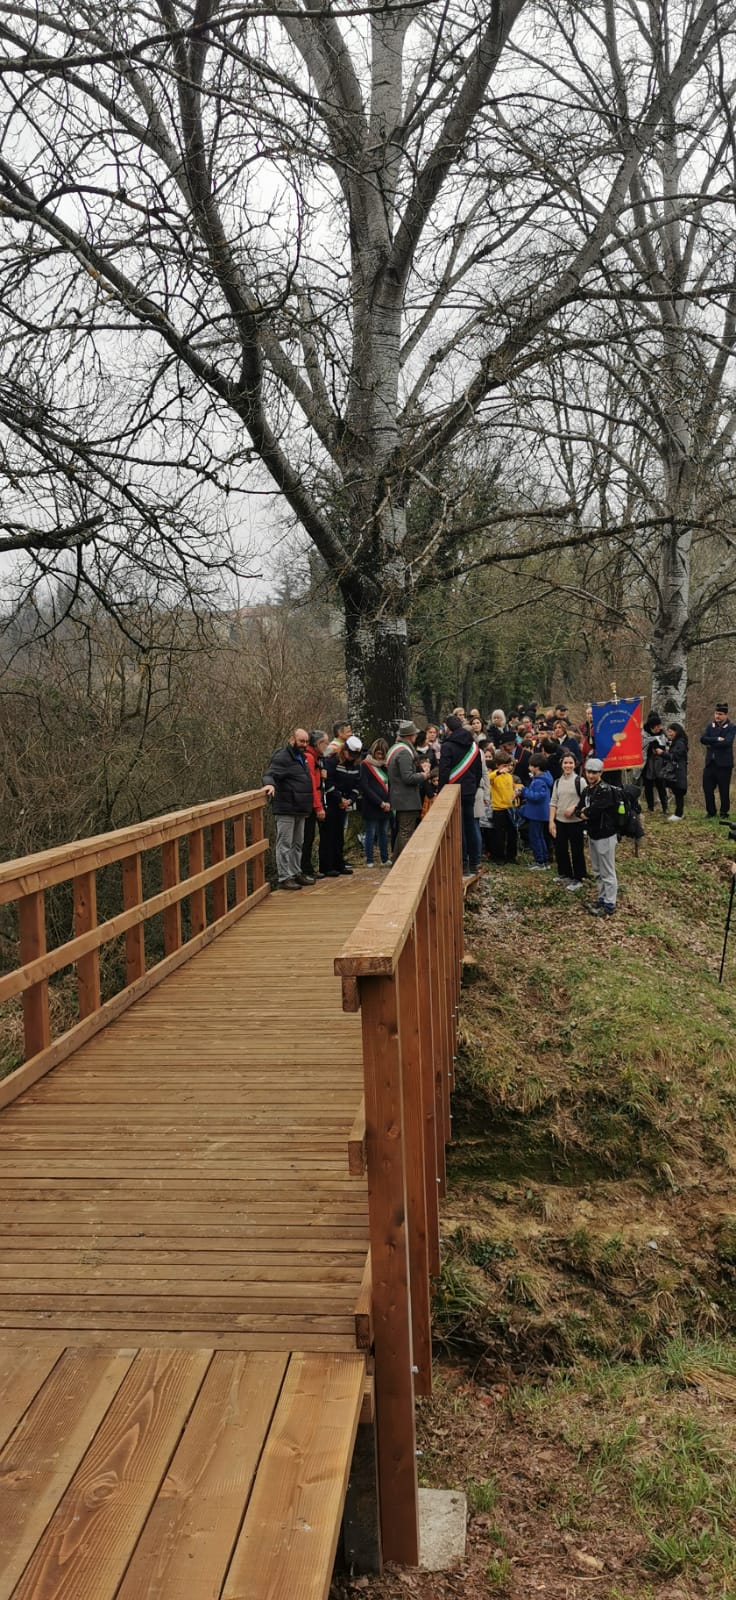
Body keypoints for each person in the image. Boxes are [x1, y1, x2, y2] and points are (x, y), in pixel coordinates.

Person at [263, 727, 315, 890]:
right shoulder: (283, 757)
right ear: (292, 740)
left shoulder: (302, 757)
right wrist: (269, 784)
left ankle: (295, 872)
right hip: (286, 807)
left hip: (300, 807)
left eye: (306, 742)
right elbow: (270, 774)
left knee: (298, 843)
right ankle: (285, 877)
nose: (304, 744)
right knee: (285, 843)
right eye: (301, 741)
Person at [438, 713, 483, 878]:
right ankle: (474, 862)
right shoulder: (474, 746)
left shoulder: (447, 746)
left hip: (452, 791)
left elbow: (444, 771)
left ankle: (463, 863)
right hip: (470, 790)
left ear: (448, 728)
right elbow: (478, 771)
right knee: (471, 825)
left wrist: (441, 791)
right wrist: (474, 785)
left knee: (460, 828)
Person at [575, 757, 620, 916]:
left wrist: (584, 813)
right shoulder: (588, 790)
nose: (591, 775)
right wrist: (582, 812)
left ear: (601, 773)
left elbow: (593, 811)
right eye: (589, 772)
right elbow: (580, 809)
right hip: (593, 834)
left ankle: (610, 903)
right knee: (597, 869)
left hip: (605, 834)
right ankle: (601, 898)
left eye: (594, 772)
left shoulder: (605, 790)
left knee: (608, 870)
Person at [387, 721, 430, 860]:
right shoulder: (404, 752)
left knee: (403, 830)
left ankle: (396, 860)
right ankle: (404, 862)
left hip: (401, 797)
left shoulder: (397, 749)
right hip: (406, 799)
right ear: (411, 735)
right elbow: (408, 777)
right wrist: (423, 775)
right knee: (406, 831)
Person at [321, 736, 363, 876]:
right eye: (350, 754)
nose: (352, 757)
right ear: (344, 750)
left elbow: (357, 785)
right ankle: (326, 866)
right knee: (329, 835)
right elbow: (328, 783)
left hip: (344, 804)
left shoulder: (356, 765)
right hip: (332, 802)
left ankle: (339, 863)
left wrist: (350, 799)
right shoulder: (332, 762)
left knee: (339, 835)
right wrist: (339, 798)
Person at [549, 751, 587, 889]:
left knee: (577, 850)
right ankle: (565, 873)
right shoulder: (558, 782)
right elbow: (553, 801)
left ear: (575, 764)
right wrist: (551, 821)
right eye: (565, 763)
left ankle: (579, 877)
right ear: (561, 764)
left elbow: (586, 800)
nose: (568, 765)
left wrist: (575, 807)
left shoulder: (580, 781)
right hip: (560, 822)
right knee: (561, 849)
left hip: (575, 822)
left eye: (570, 763)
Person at [359, 739, 391, 866]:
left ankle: (384, 858)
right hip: (372, 804)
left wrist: (388, 802)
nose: (380, 756)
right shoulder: (365, 765)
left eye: (382, 754)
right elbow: (365, 787)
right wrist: (380, 802)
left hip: (386, 804)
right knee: (370, 833)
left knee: (383, 833)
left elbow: (390, 784)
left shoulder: (385, 766)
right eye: (378, 753)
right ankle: (370, 859)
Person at [701, 703, 736, 819]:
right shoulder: (710, 726)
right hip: (710, 763)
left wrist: (711, 743)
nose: (717, 716)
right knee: (707, 788)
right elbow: (703, 739)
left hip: (724, 764)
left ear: (725, 715)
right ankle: (711, 812)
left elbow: (727, 742)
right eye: (716, 713)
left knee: (723, 789)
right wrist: (716, 739)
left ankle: (724, 812)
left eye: (720, 714)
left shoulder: (731, 727)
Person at [301, 729, 328, 878]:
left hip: (311, 802)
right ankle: (305, 870)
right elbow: (312, 785)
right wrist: (318, 807)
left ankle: (308, 869)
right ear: (318, 744)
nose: (328, 745)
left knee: (309, 838)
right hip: (309, 804)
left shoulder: (316, 758)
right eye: (326, 742)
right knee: (306, 838)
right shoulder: (310, 758)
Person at [519, 755, 553, 869]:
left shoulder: (539, 781)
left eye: (530, 765)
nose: (528, 767)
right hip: (540, 813)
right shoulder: (543, 778)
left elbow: (537, 796)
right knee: (540, 836)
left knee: (535, 837)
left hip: (537, 814)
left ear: (536, 767)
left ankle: (539, 861)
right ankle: (544, 859)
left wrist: (524, 791)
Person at [488, 752, 518, 864]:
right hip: (498, 809)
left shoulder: (509, 777)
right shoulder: (494, 776)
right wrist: (498, 772)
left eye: (508, 766)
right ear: (498, 765)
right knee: (499, 835)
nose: (507, 768)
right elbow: (488, 778)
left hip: (509, 809)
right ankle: (499, 856)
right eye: (504, 766)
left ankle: (511, 856)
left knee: (512, 833)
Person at [640, 711, 668, 815]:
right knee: (648, 785)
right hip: (647, 763)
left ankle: (665, 807)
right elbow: (642, 746)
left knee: (661, 785)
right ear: (652, 727)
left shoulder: (662, 734)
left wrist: (661, 748)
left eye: (659, 726)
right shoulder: (644, 734)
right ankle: (650, 807)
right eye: (657, 726)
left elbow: (665, 744)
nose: (659, 728)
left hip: (659, 763)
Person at [662, 723, 688, 820]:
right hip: (677, 770)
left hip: (678, 771)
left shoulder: (680, 743)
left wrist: (663, 754)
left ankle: (679, 814)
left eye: (671, 732)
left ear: (676, 732)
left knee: (679, 791)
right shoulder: (676, 742)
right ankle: (678, 813)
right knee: (677, 791)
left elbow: (675, 756)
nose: (669, 734)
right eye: (668, 732)